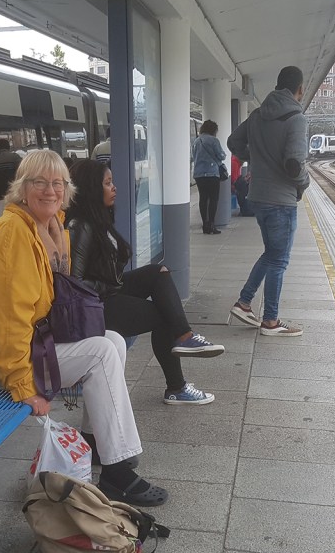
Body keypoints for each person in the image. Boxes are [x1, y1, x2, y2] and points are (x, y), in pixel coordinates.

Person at [0, 150, 168, 507]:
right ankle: (117, 473)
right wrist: (22, 386)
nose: (50, 190)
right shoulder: (13, 235)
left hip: (32, 342)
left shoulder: (50, 227)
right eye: (39, 182)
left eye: (58, 183)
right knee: (101, 353)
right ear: (22, 188)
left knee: (113, 340)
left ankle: (95, 441)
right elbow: (5, 321)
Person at [67, 159, 222, 405]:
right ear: (91, 188)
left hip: (106, 291)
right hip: (93, 305)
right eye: (107, 183)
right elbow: (73, 283)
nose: (114, 188)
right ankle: (177, 387)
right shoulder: (80, 227)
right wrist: (108, 286)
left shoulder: (98, 220)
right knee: (163, 314)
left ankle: (185, 336)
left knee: (158, 272)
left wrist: (110, 283)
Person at [226, 65, 310, 337]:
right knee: (279, 260)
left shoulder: (257, 115)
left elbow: (233, 142)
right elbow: (294, 165)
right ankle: (270, 321)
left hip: (259, 197)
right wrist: (305, 182)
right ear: (299, 89)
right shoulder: (296, 118)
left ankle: (244, 303)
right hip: (281, 201)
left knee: (271, 254)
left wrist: (254, 157)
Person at [191, 120, 226, 234]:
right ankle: (212, 224)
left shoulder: (196, 141)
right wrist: (223, 155)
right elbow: (221, 155)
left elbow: (193, 156)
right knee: (213, 199)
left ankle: (205, 225)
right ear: (213, 130)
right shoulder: (214, 140)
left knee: (203, 199)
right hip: (212, 174)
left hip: (199, 174)